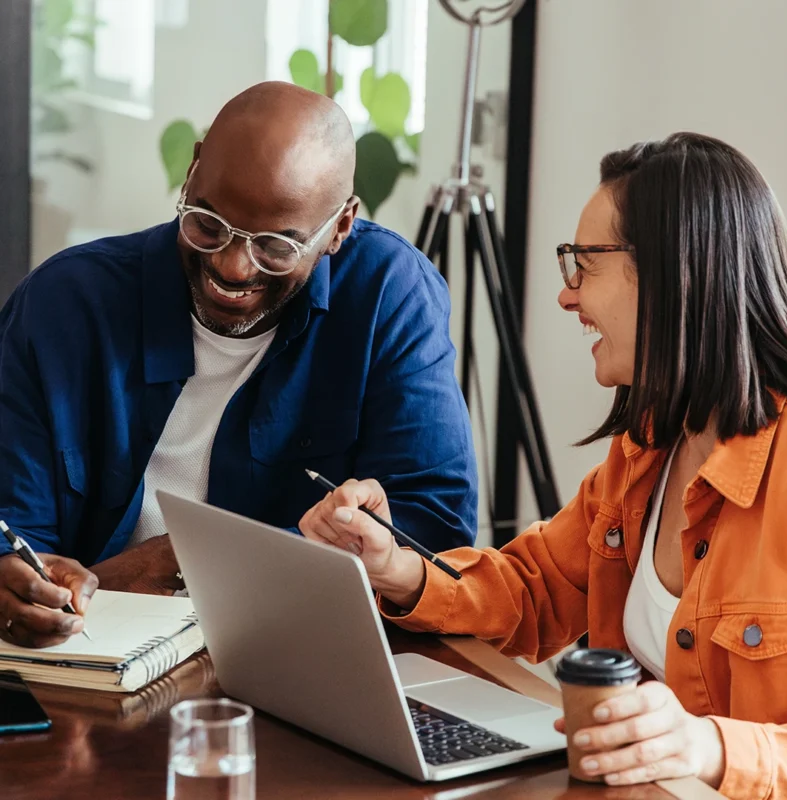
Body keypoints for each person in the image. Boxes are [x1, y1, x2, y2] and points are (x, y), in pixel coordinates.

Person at [300, 133, 787, 798]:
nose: (567, 297)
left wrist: (709, 746)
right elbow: (537, 589)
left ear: (676, 273)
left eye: (583, 265)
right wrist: (399, 570)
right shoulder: (649, 444)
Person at [0, 82, 478, 648]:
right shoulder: (65, 305)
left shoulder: (387, 297)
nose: (231, 265)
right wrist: (20, 578)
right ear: (192, 172)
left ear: (341, 227)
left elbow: (434, 532)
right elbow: (15, 526)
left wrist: (198, 560)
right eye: (207, 222)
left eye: (276, 246)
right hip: (94, 657)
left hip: (302, 656)